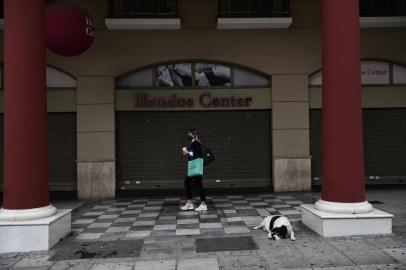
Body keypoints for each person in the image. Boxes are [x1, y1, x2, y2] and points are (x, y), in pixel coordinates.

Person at [180, 129, 207, 212]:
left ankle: (200, 204)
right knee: (194, 184)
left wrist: (186, 151)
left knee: (191, 183)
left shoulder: (195, 143)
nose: (188, 134)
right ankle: (193, 203)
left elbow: (196, 155)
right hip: (196, 166)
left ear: (192, 134)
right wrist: (187, 152)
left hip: (195, 166)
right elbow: (194, 154)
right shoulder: (195, 142)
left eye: (189, 133)